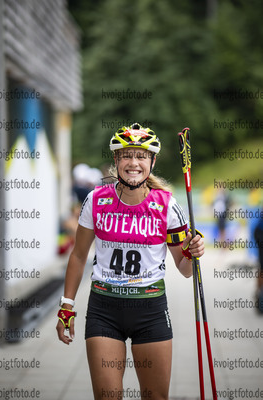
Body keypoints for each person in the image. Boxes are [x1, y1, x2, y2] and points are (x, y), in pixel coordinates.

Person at [56, 123, 205, 400]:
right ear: (116, 160)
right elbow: (78, 255)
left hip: (150, 310)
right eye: (126, 155)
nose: (133, 162)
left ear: (152, 161)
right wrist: (67, 307)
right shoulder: (96, 200)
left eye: (141, 156)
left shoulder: (167, 206)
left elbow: (185, 270)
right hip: (104, 308)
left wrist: (192, 252)